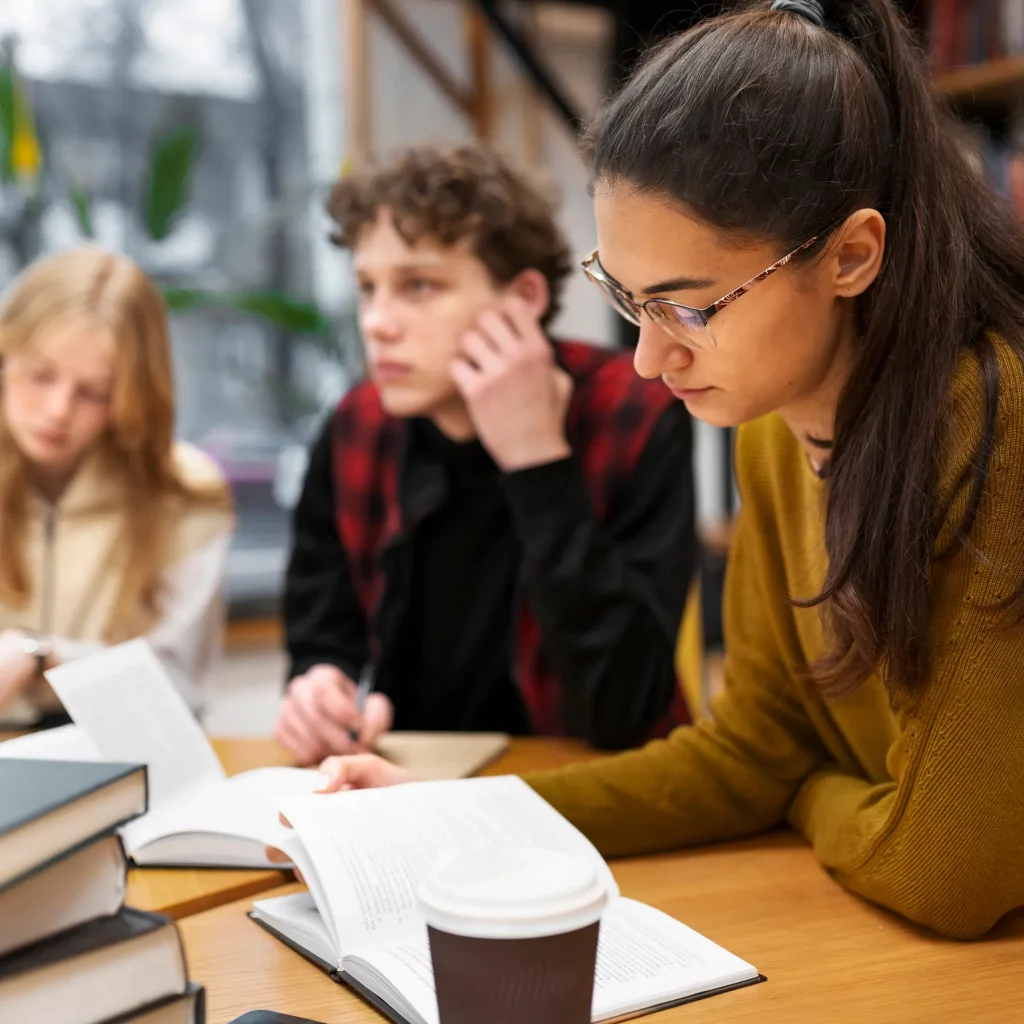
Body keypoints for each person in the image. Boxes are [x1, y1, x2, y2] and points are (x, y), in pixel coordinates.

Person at [311, 0, 1024, 940]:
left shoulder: (992, 424)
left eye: (690, 308)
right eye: (626, 297)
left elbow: (946, 875)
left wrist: (812, 794)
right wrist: (462, 811)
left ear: (852, 254)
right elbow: (753, 753)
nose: (649, 361)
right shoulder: (772, 425)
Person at [276, 144, 696, 762]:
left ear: (524, 298)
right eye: (368, 288)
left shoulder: (632, 414)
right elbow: (321, 644)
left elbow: (624, 712)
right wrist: (318, 692)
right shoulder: (355, 428)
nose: (377, 322)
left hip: (587, 790)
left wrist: (536, 460)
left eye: (419, 285)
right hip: (407, 786)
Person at [0, 247, 234, 722]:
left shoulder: (185, 493)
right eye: (40, 375)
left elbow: (177, 682)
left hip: (117, 747)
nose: (57, 411)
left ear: (132, 397)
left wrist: (41, 656)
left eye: (93, 393)